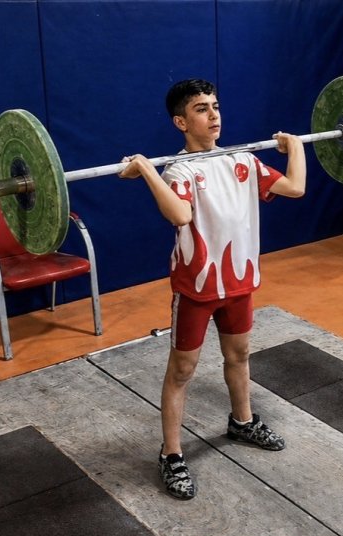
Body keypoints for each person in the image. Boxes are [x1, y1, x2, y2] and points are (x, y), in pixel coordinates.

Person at [118, 79, 306, 500]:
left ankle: (242, 421)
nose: (214, 114)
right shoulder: (179, 170)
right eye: (202, 109)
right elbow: (181, 214)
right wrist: (149, 169)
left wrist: (295, 146)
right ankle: (170, 454)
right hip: (197, 289)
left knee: (238, 355)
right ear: (181, 121)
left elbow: (295, 188)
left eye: (216, 105)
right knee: (182, 371)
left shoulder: (243, 160)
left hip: (239, 283)